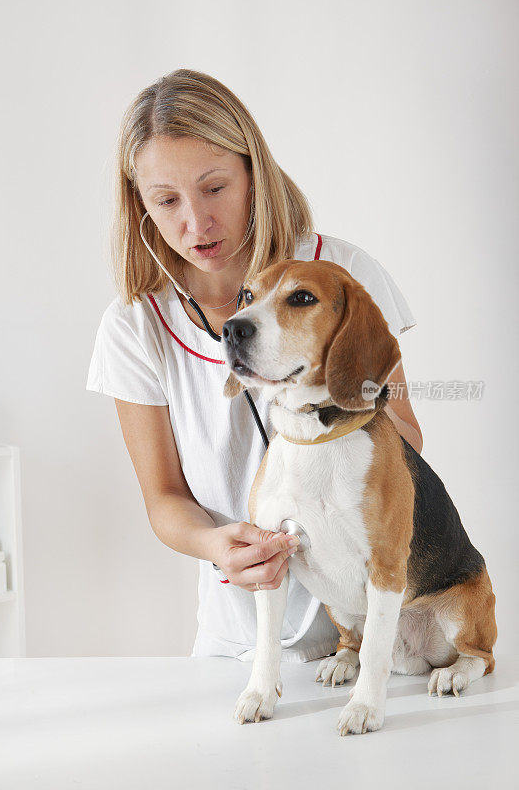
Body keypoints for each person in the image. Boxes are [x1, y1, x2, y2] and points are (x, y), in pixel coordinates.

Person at [87, 68, 423, 662]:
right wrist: (218, 544)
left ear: (253, 174)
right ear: (139, 204)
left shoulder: (337, 275)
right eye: (166, 200)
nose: (195, 223)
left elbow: (406, 440)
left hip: (369, 637)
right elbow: (164, 497)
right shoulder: (134, 326)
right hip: (237, 642)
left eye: (214, 187)